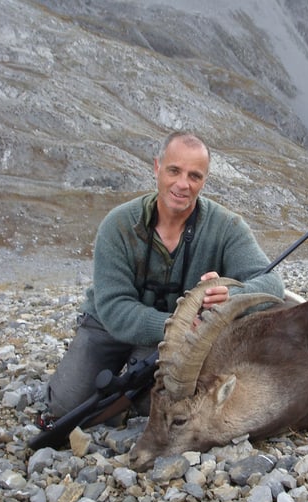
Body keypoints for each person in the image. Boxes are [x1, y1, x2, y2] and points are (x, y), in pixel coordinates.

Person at [46, 131, 284, 418]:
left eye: (195, 176)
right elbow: (114, 307)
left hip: (176, 337)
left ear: (204, 181)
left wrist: (231, 296)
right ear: (157, 168)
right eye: (174, 171)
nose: (182, 185)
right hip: (108, 325)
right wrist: (181, 324)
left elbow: (271, 284)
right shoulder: (118, 225)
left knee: (158, 406)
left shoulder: (228, 227)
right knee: (64, 406)